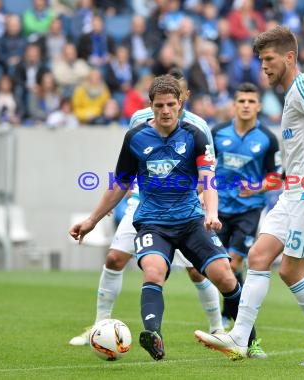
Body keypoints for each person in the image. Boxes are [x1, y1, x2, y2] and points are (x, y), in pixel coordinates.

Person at [195, 25, 304, 366]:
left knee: (290, 271)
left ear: (289, 57)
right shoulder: (290, 93)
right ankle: (238, 336)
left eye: (269, 59)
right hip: (292, 192)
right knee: (259, 256)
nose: (263, 66)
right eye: (261, 60)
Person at [70, 75, 243, 361]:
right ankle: (154, 335)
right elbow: (120, 183)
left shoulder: (196, 134)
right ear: (150, 105)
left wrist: (211, 212)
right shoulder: (136, 135)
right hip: (152, 221)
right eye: (159, 105)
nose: (165, 110)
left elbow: (208, 179)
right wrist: (92, 220)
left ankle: (245, 337)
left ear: (180, 104)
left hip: (190, 220)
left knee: (223, 276)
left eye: (170, 104)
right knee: (152, 271)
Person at [211, 82, 280, 338]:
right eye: (242, 101)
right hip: (218, 208)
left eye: (251, 102)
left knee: (235, 260)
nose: (246, 106)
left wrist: (255, 188)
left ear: (259, 106)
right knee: (220, 266)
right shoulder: (217, 133)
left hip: (248, 210)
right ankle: (230, 311)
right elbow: (204, 167)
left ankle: (236, 323)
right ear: (234, 105)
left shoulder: (267, 139)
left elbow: (276, 177)